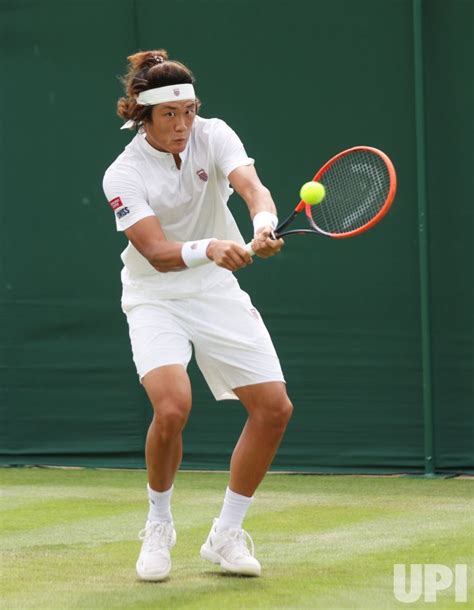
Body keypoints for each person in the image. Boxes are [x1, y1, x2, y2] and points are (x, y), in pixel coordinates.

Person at [102, 49, 293, 581]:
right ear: (143, 116)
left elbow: (251, 186)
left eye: (189, 110)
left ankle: (226, 535)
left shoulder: (214, 133)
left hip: (214, 289)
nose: (183, 124)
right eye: (170, 115)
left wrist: (263, 222)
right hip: (154, 296)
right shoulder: (122, 174)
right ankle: (159, 525)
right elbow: (158, 254)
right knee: (171, 409)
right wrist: (209, 245)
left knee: (274, 408)